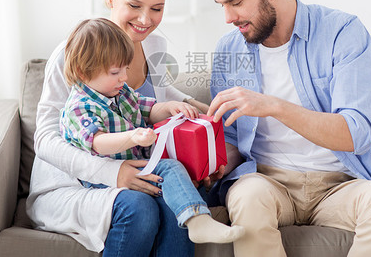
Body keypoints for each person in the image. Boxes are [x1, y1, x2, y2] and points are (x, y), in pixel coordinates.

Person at [205, 0, 371, 257]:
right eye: (223, 6)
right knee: (246, 196)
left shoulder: (342, 32)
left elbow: (358, 133)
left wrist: (272, 106)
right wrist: (212, 163)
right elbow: (229, 138)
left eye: (236, 2)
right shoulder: (229, 49)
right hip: (266, 182)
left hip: (340, 184)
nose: (228, 17)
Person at [26, 0, 211, 256]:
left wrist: (204, 115)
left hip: (137, 171)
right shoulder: (75, 52)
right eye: (134, 5)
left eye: (157, 8)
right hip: (74, 182)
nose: (145, 19)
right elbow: (45, 139)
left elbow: (159, 96)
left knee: (174, 209)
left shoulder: (153, 44)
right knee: (141, 207)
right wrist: (114, 174)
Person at [59, 17, 245, 244]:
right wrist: (132, 136)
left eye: (126, 69)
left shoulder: (119, 91)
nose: (124, 77)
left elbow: (146, 109)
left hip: (140, 166)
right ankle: (197, 218)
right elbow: (98, 142)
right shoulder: (79, 107)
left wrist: (167, 107)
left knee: (179, 178)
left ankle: (194, 217)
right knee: (170, 166)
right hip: (105, 178)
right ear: (83, 71)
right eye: (115, 72)